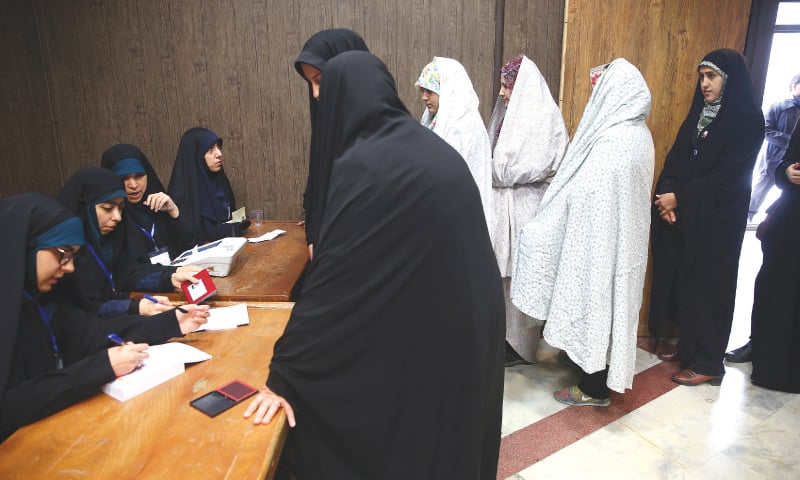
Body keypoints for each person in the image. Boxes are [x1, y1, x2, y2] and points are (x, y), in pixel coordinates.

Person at [243, 51, 505, 479]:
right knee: (450, 433)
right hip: (474, 317)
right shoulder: (422, 144)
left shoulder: (365, 163)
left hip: (446, 321)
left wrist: (285, 374)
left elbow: (333, 281)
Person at [0, 192, 208, 442]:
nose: (70, 267)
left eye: (73, 256)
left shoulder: (43, 296)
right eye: (62, 254)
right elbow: (10, 406)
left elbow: (88, 333)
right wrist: (101, 367)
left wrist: (170, 322)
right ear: (24, 246)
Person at [510, 59, 654, 406]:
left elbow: (587, 194)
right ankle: (583, 360)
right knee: (605, 308)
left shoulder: (616, 142)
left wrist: (549, 215)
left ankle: (594, 388)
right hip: (615, 245)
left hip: (601, 246)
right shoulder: (637, 135)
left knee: (598, 304)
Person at [649, 49, 765, 386]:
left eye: (711, 77)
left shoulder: (747, 118)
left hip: (719, 222)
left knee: (711, 287)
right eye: (701, 77)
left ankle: (709, 362)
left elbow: (728, 177)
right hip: (690, 217)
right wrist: (667, 198)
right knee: (689, 283)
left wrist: (679, 197)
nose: (704, 84)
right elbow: (678, 158)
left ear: (729, 80)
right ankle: (689, 348)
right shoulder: (701, 113)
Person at [486, 54, 568, 366]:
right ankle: (503, 339)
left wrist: (492, 169)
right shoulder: (509, 116)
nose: (503, 93)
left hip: (527, 211)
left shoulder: (543, 117)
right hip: (505, 209)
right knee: (502, 282)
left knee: (522, 278)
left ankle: (521, 346)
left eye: (508, 86)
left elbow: (512, 169)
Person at [57, 167, 200, 318]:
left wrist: (170, 278)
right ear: (84, 208)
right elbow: (86, 309)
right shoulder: (67, 253)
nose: (117, 217)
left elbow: (126, 275)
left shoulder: (111, 238)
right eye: (108, 208)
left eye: (120, 208)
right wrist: (133, 307)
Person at [294, 28, 370, 259]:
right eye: (311, 84)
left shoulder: (375, 135)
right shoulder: (328, 126)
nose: (315, 93)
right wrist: (313, 235)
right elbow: (320, 183)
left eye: (320, 80)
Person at [741, 124, 800, 392]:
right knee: (772, 288)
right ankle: (762, 350)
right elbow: (783, 164)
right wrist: (786, 172)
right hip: (790, 224)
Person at [414, 57, 492, 226]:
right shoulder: (434, 120)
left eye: (430, 91)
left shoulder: (464, 127)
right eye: (422, 91)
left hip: (458, 213)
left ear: (448, 90)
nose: (424, 97)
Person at [101, 143, 195, 264]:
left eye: (139, 176)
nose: (133, 185)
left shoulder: (156, 205)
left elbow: (191, 244)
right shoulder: (112, 220)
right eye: (124, 178)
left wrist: (173, 211)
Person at [167, 127, 249, 244]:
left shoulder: (220, 181)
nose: (219, 154)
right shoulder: (183, 193)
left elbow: (228, 217)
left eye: (218, 147)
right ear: (196, 154)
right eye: (210, 149)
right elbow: (192, 237)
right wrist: (232, 229)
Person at [747, 73, 800, 222]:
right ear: (794, 85)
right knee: (759, 192)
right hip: (773, 158)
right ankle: (745, 218)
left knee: (787, 196)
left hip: (795, 163)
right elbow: (765, 130)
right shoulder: (778, 107)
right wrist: (791, 141)